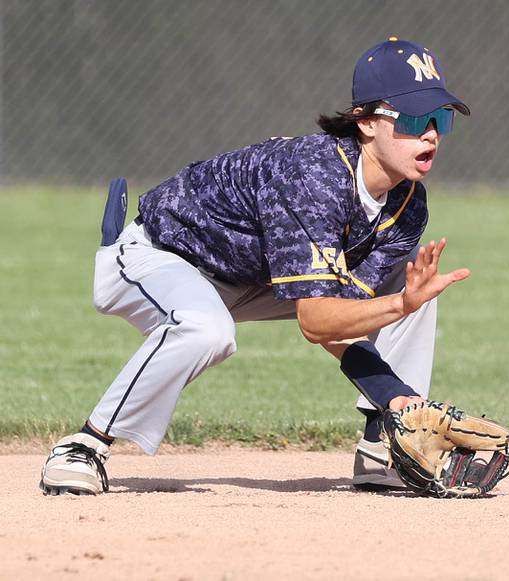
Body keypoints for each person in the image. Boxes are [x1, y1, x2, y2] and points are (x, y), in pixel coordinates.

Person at [39, 37, 471, 495]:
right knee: (208, 329)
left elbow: (342, 319)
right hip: (159, 257)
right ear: (365, 121)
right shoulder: (313, 175)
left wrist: (393, 396)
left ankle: (383, 447)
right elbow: (315, 319)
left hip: (250, 278)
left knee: (412, 287)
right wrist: (400, 304)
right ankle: (84, 445)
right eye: (412, 118)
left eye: (439, 118)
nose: (430, 134)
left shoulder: (406, 201)